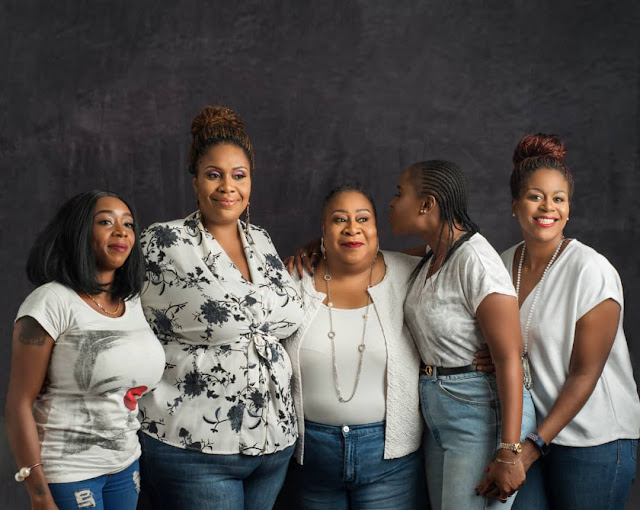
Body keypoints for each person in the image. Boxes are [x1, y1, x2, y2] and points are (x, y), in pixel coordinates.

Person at [136, 106, 304, 510]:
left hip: (275, 441)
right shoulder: (163, 241)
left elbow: (281, 312)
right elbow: (119, 313)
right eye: (214, 174)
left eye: (238, 175)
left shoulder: (261, 241)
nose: (227, 186)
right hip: (197, 445)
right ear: (195, 181)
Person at [500, 133, 640, 510]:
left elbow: (585, 374)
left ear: (568, 208)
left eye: (558, 198)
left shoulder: (591, 270)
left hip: (594, 440)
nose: (548, 207)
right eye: (535, 196)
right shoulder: (502, 264)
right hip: (535, 432)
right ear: (515, 205)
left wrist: (532, 449)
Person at [5, 190, 165, 510]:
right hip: (69, 472)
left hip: (125, 464)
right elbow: (18, 404)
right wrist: (39, 494)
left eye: (128, 224)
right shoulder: (50, 302)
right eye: (105, 222)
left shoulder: (132, 301)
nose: (121, 232)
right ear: (79, 232)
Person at [390, 160, 536, 509]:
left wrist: (508, 450)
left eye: (399, 194)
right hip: (439, 411)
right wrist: (322, 247)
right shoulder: (434, 255)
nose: (392, 203)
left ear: (426, 204)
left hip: (480, 412)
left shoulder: (476, 260)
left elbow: (509, 357)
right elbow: (372, 259)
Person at [283, 184, 425, 509]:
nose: (352, 228)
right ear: (323, 228)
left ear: (376, 228)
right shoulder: (293, 281)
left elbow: (455, 244)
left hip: (391, 462)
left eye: (363, 219)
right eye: (339, 220)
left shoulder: (407, 272)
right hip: (310, 459)